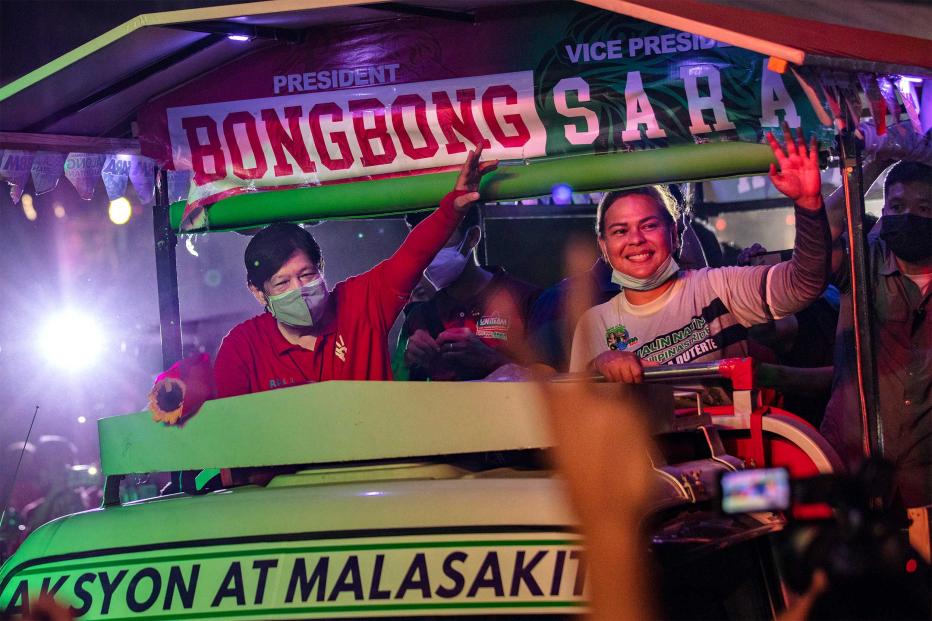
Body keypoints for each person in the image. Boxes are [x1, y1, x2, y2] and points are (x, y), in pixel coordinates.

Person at [213, 148, 497, 397]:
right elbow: (232, 437)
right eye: (282, 283)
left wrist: (452, 209)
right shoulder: (241, 349)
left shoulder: (362, 303)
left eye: (306, 275)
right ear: (258, 292)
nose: (298, 289)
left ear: (322, 268)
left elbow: (411, 257)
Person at [569, 126, 830, 381]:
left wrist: (808, 205)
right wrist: (598, 365)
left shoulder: (716, 287)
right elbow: (578, 411)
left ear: (673, 234)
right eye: (620, 231)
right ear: (603, 245)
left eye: (648, 226)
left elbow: (802, 285)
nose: (635, 239)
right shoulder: (595, 324)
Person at [820, 156, 931, 508]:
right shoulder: (862, 262)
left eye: (923, 208)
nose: (908, 216)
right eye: (896, 206)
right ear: (882, 211)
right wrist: (874, 163)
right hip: (853, 467)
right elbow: (818, 231)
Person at [394, 209, 541, 381]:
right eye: (422, 241)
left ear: (472, 237)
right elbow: (393, 390)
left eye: (441, 237)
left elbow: (553, 384)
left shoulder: (526, 300)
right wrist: (408, 361)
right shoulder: (420, 318)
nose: (431, 250)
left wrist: (490, 360)